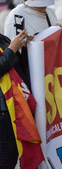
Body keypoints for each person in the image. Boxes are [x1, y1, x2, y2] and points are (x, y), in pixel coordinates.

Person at [0, 30, 32, 169]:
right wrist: (12, 49)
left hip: (13, 109)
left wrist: (24, 47)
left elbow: (17, 67)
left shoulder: (2, 38)